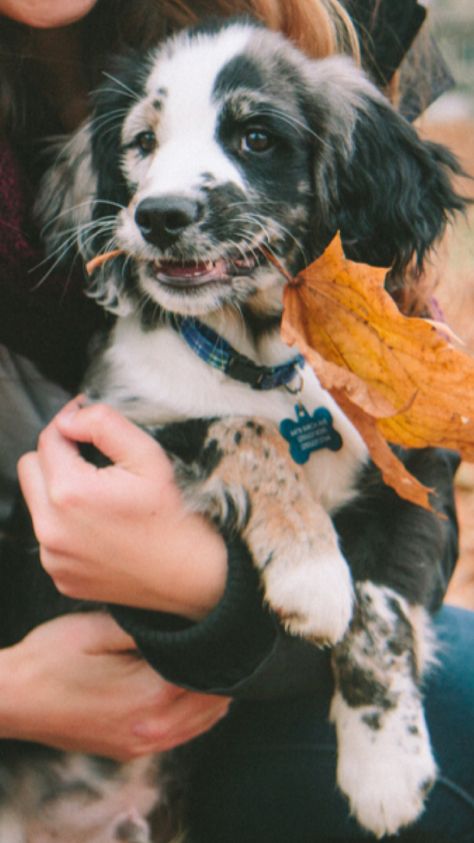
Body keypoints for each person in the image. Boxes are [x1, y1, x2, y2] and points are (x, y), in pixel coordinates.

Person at [0, 1, 473, 841]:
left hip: (220, 713)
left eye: (253, 138)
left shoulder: (320, 63)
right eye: (143, 148)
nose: (163, 200)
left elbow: (416, 503)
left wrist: (215, 589)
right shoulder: (141, 358)